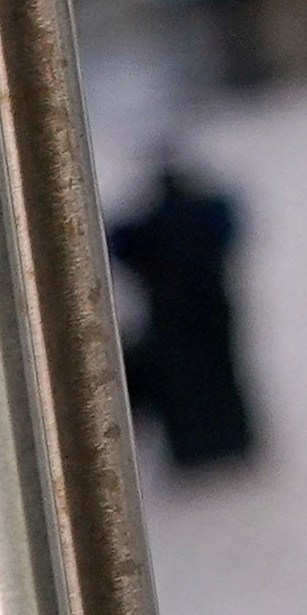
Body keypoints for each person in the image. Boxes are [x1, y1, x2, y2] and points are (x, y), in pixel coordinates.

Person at [106, 152, 260, 472]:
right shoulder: (202, 211)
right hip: (209, 309)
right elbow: (229, 222)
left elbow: (117, 242)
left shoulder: (152, 223)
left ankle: (198, 451)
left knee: (188, 386)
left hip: (173, 313)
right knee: (221, 378)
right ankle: (232, 443)